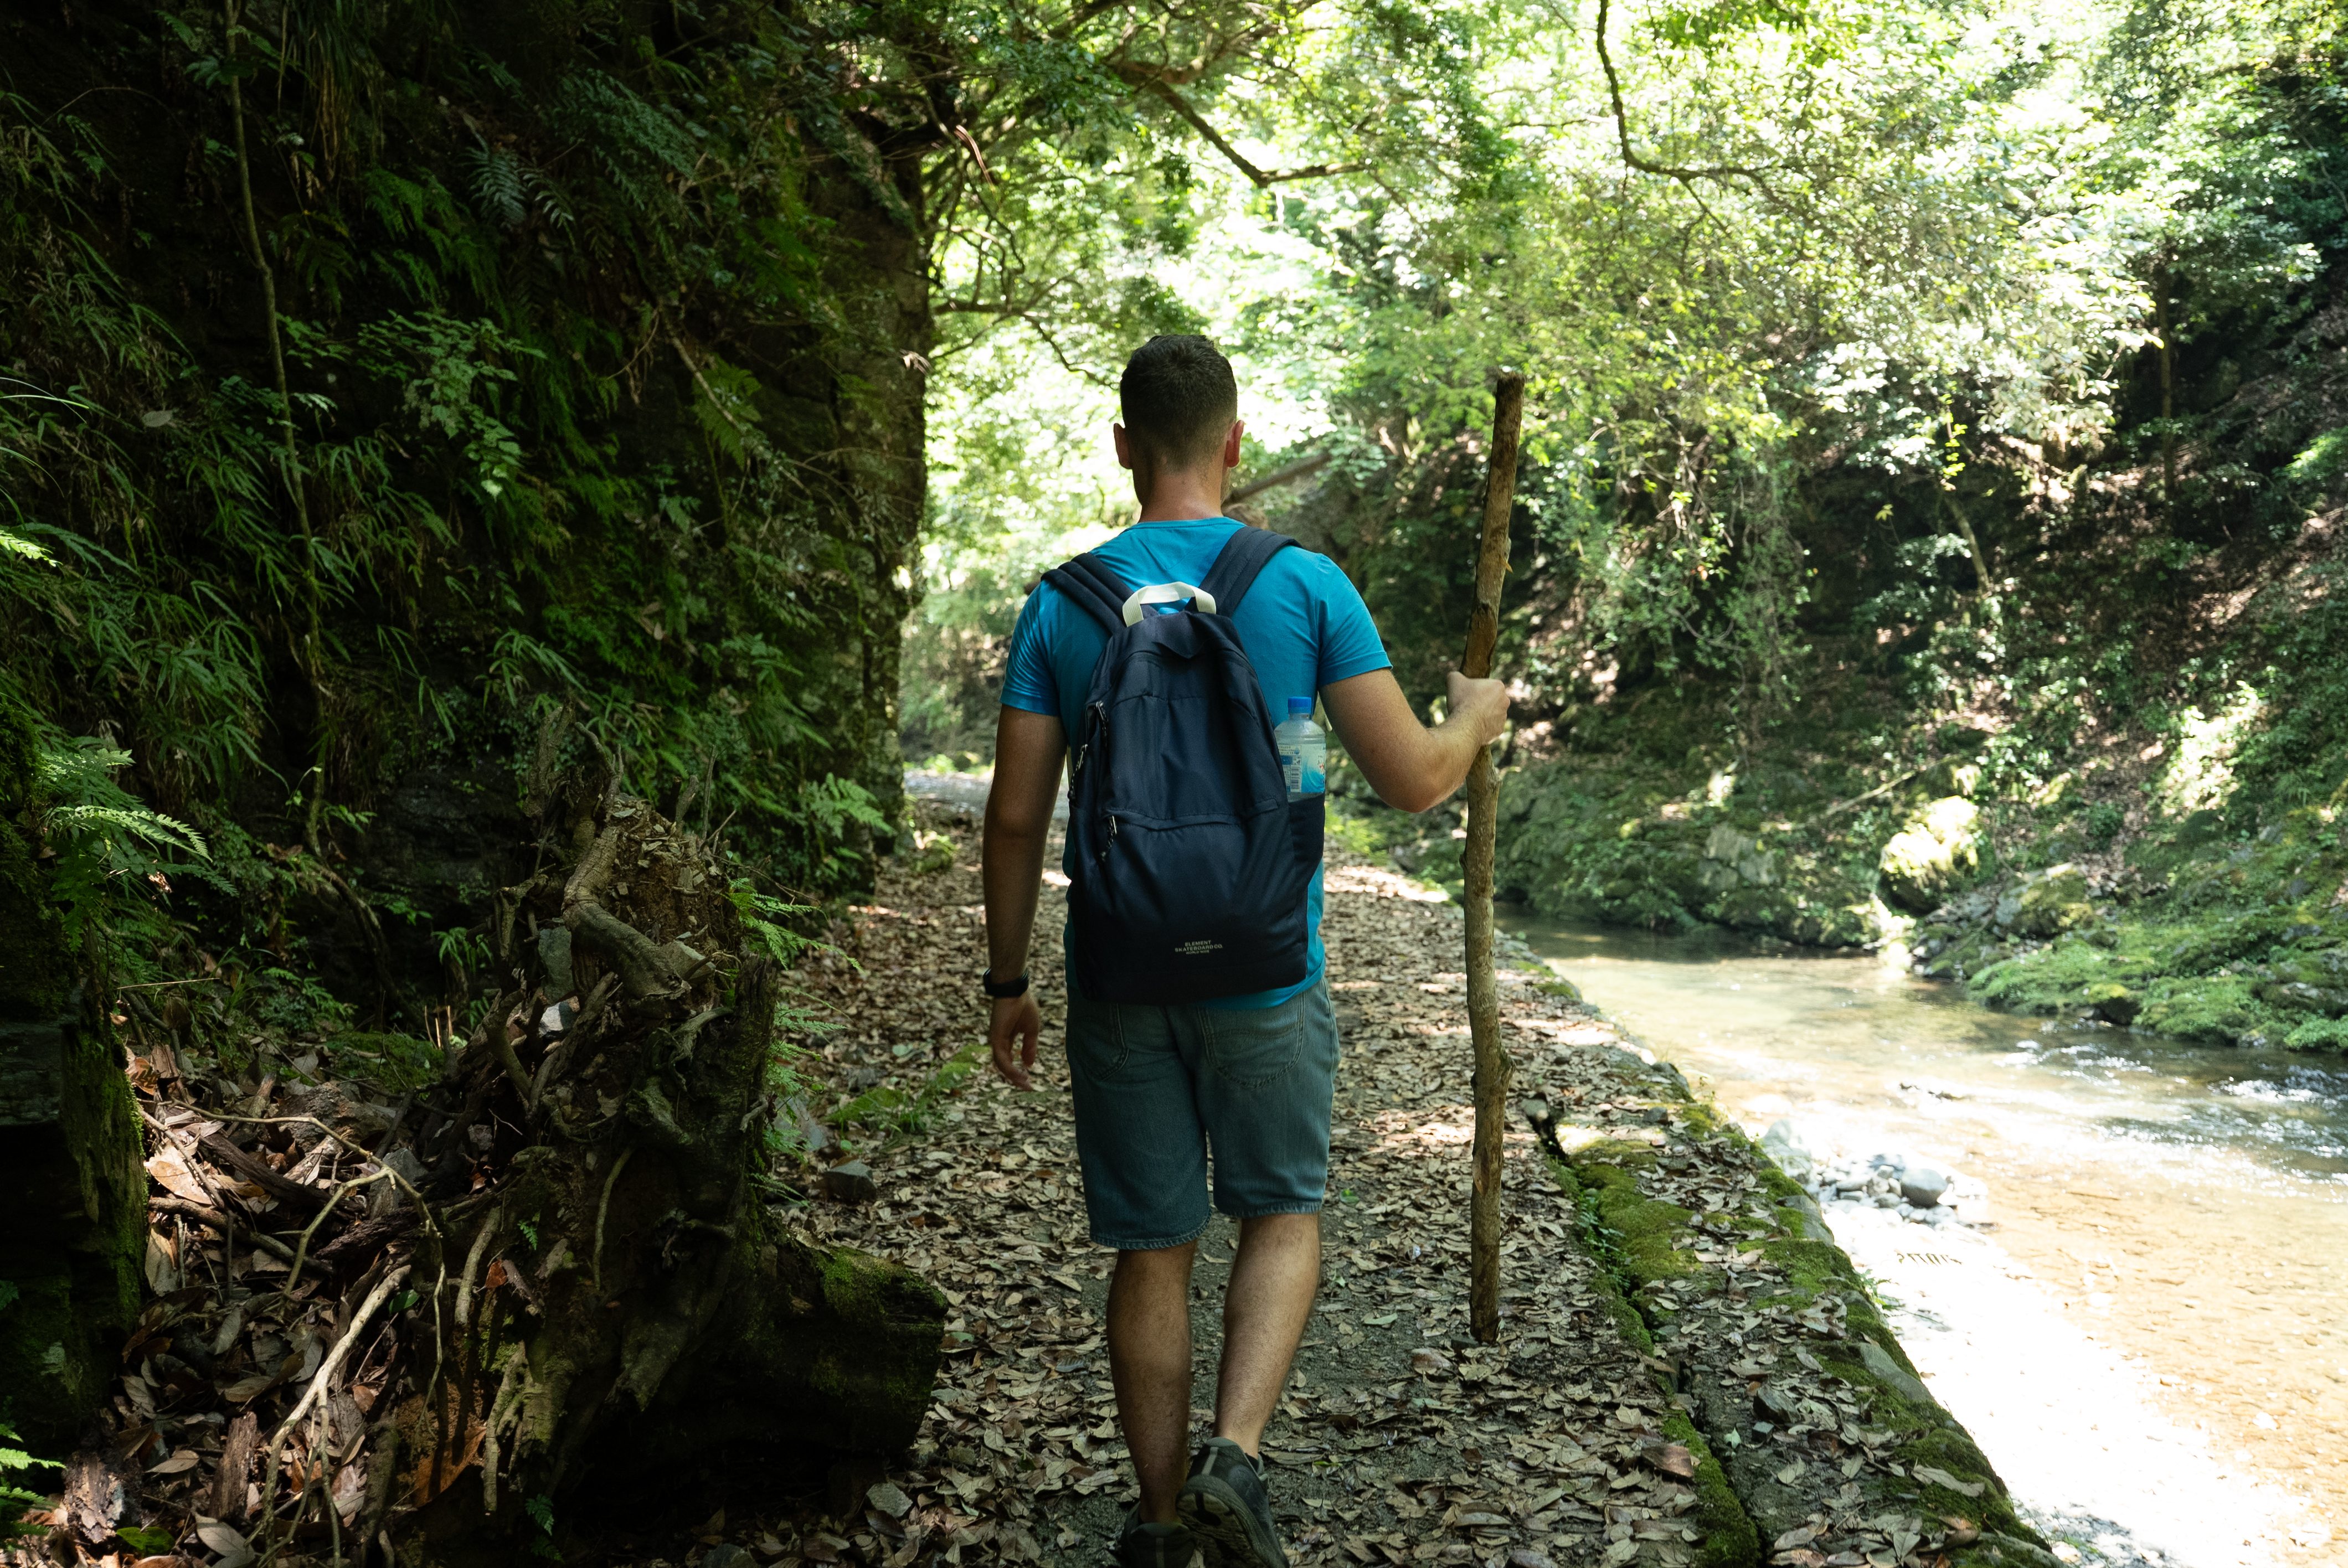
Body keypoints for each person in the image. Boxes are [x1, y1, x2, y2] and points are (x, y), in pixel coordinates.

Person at [981, 334, 1509, 1568]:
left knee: (1149, 1244)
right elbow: (1414, 779)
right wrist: (1473, 717)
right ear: (1234, 445)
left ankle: (1159, 1523)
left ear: (1122, 447)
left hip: (1118, 971)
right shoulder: (1304, 585)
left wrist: (1007, 981)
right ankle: (1238, 1456)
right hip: (1269, 967)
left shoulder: (1061, 604)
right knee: (1279, 1209)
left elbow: (1013, 817)